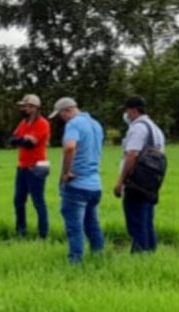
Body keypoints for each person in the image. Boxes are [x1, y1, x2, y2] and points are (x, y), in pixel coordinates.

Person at [52, 97, 105, 264]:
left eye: (60, 115)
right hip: (95, 184)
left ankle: (75, 262)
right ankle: (99, 257)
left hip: (77, 185)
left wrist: (65, 173)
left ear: (67, 111)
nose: (61, 119)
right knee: (92, 225)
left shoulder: (74, 124)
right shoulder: (96, 124)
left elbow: (70, 147)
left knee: (74, 228)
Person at [115, 96, 166, 254]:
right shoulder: (155, 128)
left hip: (137, 181)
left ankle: (139, 255)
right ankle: (150, 252)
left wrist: (120, 181)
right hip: (152, 181)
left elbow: (132, 155)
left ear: (134, 110)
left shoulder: (138, 128)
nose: (126, 114)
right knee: (147, 220)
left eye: (127, 110)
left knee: (136, 222)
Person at [12, 94, 52, 240]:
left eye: (27, 106)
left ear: (35, 108)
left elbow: (31, 143)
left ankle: (43, 234)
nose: (23, 108)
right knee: (18, 201)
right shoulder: (23, 122)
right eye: (23, 106)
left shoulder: (42, 123)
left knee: (38, 202)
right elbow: (13, 139)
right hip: (22, 166)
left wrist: (22, 140)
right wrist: (23, 139)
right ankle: (21, 231)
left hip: (36, 167)